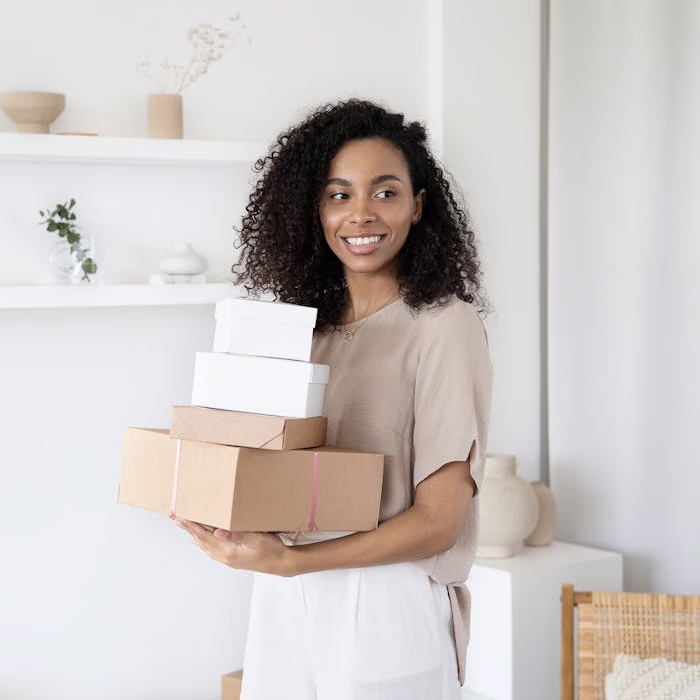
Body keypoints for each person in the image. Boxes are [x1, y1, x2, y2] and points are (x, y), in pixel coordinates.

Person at [174, 99, 493, 700]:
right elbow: (280, 476)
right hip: (283, 597)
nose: (361, 214)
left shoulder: (444, 326)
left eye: (386, 192)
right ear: (313, 210)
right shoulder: (307, 334)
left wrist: (291, 563)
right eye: (339, 194)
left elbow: (439, 523)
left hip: (384, 599)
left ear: (419, 206)